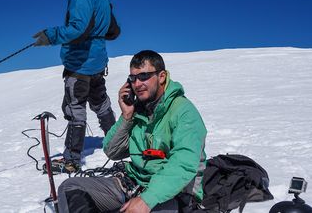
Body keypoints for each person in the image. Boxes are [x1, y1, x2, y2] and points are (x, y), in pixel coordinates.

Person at [57, 50, 208, 212]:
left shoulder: (184, 112)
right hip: (134, 185)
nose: (137, 84)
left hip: (174, 194)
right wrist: (127, 116)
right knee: (70, 187)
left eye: (144, 76)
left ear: (161, 76)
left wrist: (146, 200)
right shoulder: (139, 110)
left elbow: (182, 165)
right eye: (132, 78)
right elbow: (112, 151)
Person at [32, 0, 119, 173]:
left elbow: (78, 29)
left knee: (75, 108)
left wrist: (50, 35)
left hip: (80, 64)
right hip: (97, 62)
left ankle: (71, 160)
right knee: (100, 103)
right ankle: (117, 144)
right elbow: (114, 31)